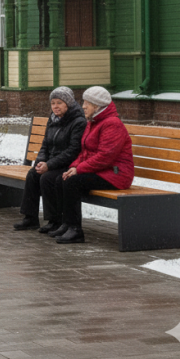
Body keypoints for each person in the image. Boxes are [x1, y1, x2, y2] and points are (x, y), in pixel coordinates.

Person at [46, 86, 134, 244]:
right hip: (102, 171)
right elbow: (84, 152)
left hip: (116, 174)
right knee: (62, 178)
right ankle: (66, 223)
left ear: (98, 106)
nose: (83, 106)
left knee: (72, 182)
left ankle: (75, 230)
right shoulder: (93, 122)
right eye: (83, 102)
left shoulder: (112, 124)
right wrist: (73, 167)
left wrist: (78, 169)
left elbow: (105, 157)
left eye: (87, 103)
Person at [13, 87, 86, 233]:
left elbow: (72, 151)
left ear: (68, 103)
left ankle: (55, 220)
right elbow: (45, 144)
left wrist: (49, 164)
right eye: (53, 103)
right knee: (33, 174)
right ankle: (30, 218)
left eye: (59, 102)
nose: (55, 106)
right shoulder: (52, 120)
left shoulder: (78, 122)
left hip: (67, 164)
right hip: (52, 163)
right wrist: (40, 161)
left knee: (48, 178)